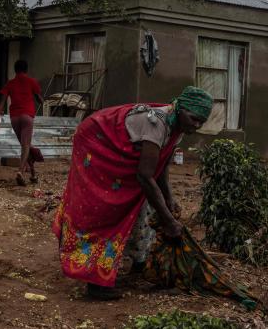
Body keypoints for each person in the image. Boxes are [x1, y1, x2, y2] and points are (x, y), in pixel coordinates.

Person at [52, 86, 213, 300]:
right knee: (106, 208)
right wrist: (168, 220)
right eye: (194, 118)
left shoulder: (178, 127)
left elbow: (160, 165)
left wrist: (169, 199)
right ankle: (94, 281)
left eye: (201, 121)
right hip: (97, 143)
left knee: (140, 203)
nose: (197, 125)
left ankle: (139, 260)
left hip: (123, 154)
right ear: (180, 108)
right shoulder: (157, 123)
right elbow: (145, 176)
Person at [0, 60, 44, 185]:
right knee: (26, 146)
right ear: (26, 69)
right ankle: (20, 171)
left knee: (25, 146)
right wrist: (42, 99)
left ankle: (32, 173)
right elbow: (39, 99)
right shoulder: (32, 81)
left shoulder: (10, 83)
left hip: (14, 118)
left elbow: (2, 103)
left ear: (15, 70)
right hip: (27, 117)